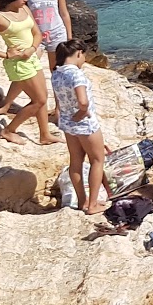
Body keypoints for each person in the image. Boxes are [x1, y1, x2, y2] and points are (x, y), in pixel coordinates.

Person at [0, 0, 59, 144]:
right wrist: (6, 55)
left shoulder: (25, 9)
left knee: (43, 97)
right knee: (39, 100)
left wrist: (32, 49)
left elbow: (37, 33)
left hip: (31, 58)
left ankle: (45, 135)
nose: (26, 0)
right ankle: (8, 130)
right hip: (18, 64)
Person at [51, 39, 108, 215]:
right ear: (78, 54)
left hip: (68, 125)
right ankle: (92, 205)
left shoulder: (56, 73)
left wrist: (72, 116)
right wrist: (81, 112)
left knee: (75, 162)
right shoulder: (75, 74)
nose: (84, 60)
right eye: (84, 56)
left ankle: (82, 201)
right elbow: (83, 102)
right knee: (97, 160)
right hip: (85, 125)